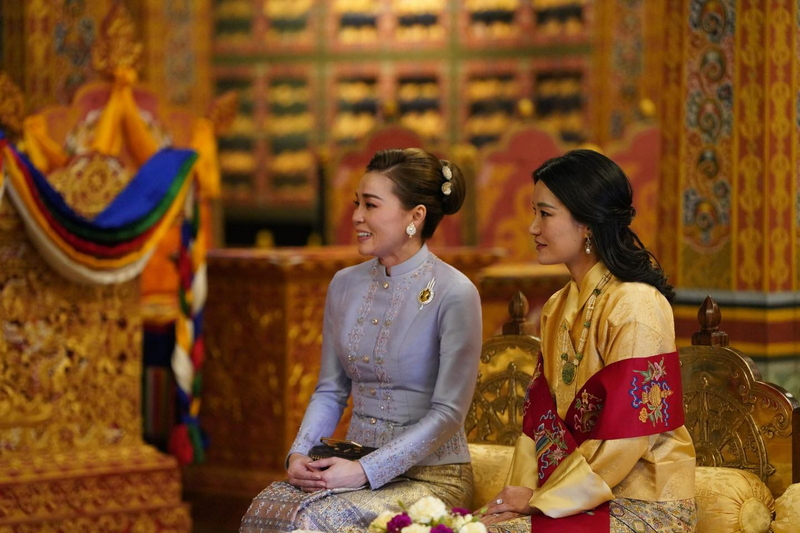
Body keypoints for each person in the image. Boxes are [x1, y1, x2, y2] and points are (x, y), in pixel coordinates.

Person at [241, 148, 482, 533]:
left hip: (431, 479)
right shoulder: (344, 284)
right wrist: (298, 454)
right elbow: (330, 390)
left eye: (370, 205)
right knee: (266, 510)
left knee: (310, 521)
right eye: (357, 204)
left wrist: (366, 470)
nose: (356, 217)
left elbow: (449, 414)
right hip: (351, 463)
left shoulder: (455, 292)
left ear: (415, 216)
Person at [480, 149, 697, 532]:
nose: (532, 227)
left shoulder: (636, 304)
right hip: (571, 496)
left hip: (644, 501)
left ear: (587, 225)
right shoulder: (556, 307)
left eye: (545, 214)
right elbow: (539, 423)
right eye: (534, 213)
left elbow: (629, 436)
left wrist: (540, 501)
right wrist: (517, 498)